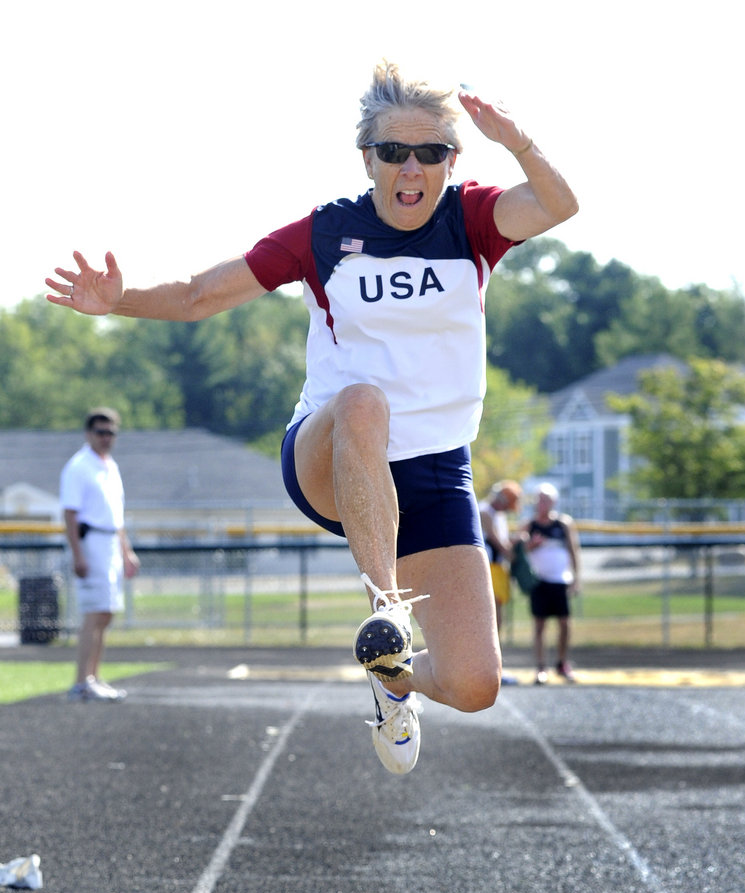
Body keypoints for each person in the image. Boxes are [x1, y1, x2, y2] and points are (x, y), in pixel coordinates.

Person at [46, 62, 578, 770]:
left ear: (453, 159)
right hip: (331, 452)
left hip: (433, 471)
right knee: (364, 401)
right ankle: (386, 608)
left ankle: (392, 674)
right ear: (368, 157)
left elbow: (558, 205)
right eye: (393, 152)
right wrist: (117, 299)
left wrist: (517, 140)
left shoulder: (474, 221)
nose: (411, 168)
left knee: (475, 685)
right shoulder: (325, 233)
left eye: (431, 152)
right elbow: (200, 294)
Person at [60, 408, 140, 702]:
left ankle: (93, 676)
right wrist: (78, 555)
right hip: (91, 541)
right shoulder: (79, 466)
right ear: (88, 434)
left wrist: (126, 551)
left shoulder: (110, 466)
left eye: (110, 433)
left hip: (110, 544)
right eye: (100, 432)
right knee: (94, 613)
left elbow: (116, 517)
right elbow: (70, 513)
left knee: (106, 613)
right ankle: (81, 681)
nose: (106, 438)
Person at [523, 483, 581, 685]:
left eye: (545, 499)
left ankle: (562, 663)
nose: (541, 503)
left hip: (559, 581)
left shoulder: (563, 524)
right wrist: (531, 545)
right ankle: (541, 667)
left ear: (553, 502)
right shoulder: (529, 525)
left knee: (564, 623)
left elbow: (574, 550)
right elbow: (519, 554)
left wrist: (576, 578)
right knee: (539, 625)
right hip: (539, 582)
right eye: (539, 499)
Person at [479, 480, 523, 633]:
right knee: (491, 607)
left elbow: (503, 541)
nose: (507, 509)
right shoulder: (485, 512)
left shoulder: (499, 515)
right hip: (488, 567)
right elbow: (497, 542)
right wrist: (512, 555)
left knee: (497, 607)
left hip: (497, 567)